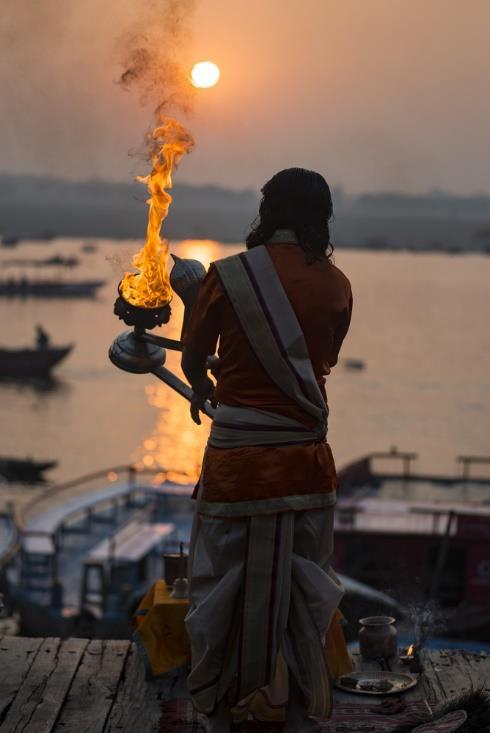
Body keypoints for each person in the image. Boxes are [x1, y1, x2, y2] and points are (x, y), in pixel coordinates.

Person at [181, 168, 353, 733]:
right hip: (304, 465)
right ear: (320, 218)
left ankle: (227, 707)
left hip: (237, 469)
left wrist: (210, 385)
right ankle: (293, 708)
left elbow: (193, 363)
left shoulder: (225, 276)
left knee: (223, 588)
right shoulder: (337, 284)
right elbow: (319, 365)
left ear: (266, 211)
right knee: (301, 590)